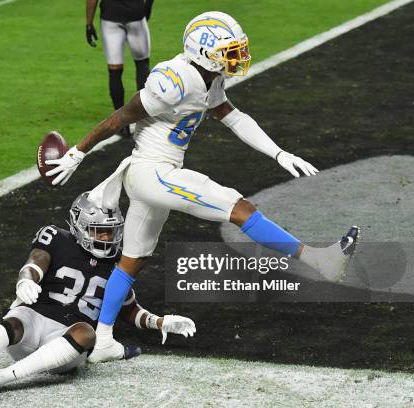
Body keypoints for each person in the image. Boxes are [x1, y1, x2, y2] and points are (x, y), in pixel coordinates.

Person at [45, 11, 360, 363]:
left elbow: (233, 117)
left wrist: (278, 153)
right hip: (152, 172)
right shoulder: (174, 79)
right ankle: (319, 260)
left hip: (159, 173)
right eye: (229, 51)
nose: (237, 57)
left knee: (132, 261)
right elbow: (122, 115)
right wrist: (77, 152)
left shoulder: (211, 77)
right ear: (203, 52)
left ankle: (102, 340)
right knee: (238, 208)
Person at [0, 192, 196, 402]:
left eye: (111, 231)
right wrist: (26, 279)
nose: (107, 238)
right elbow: (36, 262)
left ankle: (0, 378)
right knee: (12, 322)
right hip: (33, 321)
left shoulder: (118, 262)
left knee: (87, 332)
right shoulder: (57, 238)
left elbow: (128, 308)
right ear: (80, 225)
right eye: (99, 231)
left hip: (66, 344)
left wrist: (159, 322)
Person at [86, 0, 154, 137]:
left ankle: (121, 124)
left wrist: (89, 23)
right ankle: (143, 115)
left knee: (114, 71)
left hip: (110, 17)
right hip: (135, 14)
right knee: (142, 64)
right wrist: (148, 6)